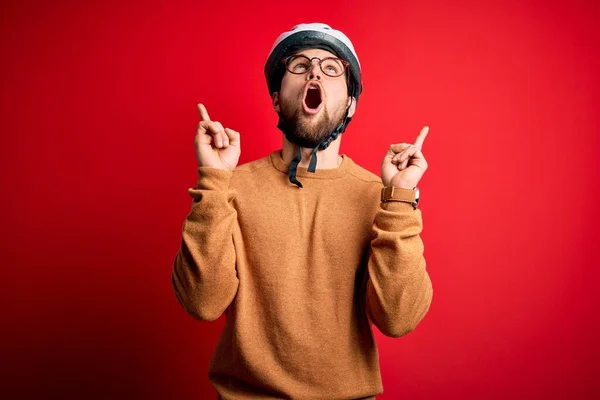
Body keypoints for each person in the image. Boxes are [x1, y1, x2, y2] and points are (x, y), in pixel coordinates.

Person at [171, 22, 433, 399]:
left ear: (350, 103)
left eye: (331, 68)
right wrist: (214, 179)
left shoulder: (382, 197)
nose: (314, 71)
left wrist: (399, 198)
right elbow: (201, 302)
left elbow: (398, 318)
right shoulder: (231, 186)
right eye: (299, 64)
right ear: (277, 99)